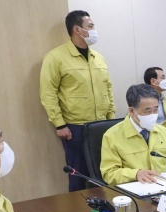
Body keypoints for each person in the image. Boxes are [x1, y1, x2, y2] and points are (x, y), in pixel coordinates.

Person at [40, 10, 115, 192]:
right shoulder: (55, 57)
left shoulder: (98, 57)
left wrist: (111, 120)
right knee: (78, 175)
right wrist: (59, 124)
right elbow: (48, 92)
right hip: (76, 128)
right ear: (77, 30)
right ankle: (78, 209)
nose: (94, 30)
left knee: (104, 173)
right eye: (91, 26)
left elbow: (108, 89)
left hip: (102, 126)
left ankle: (105, 207)